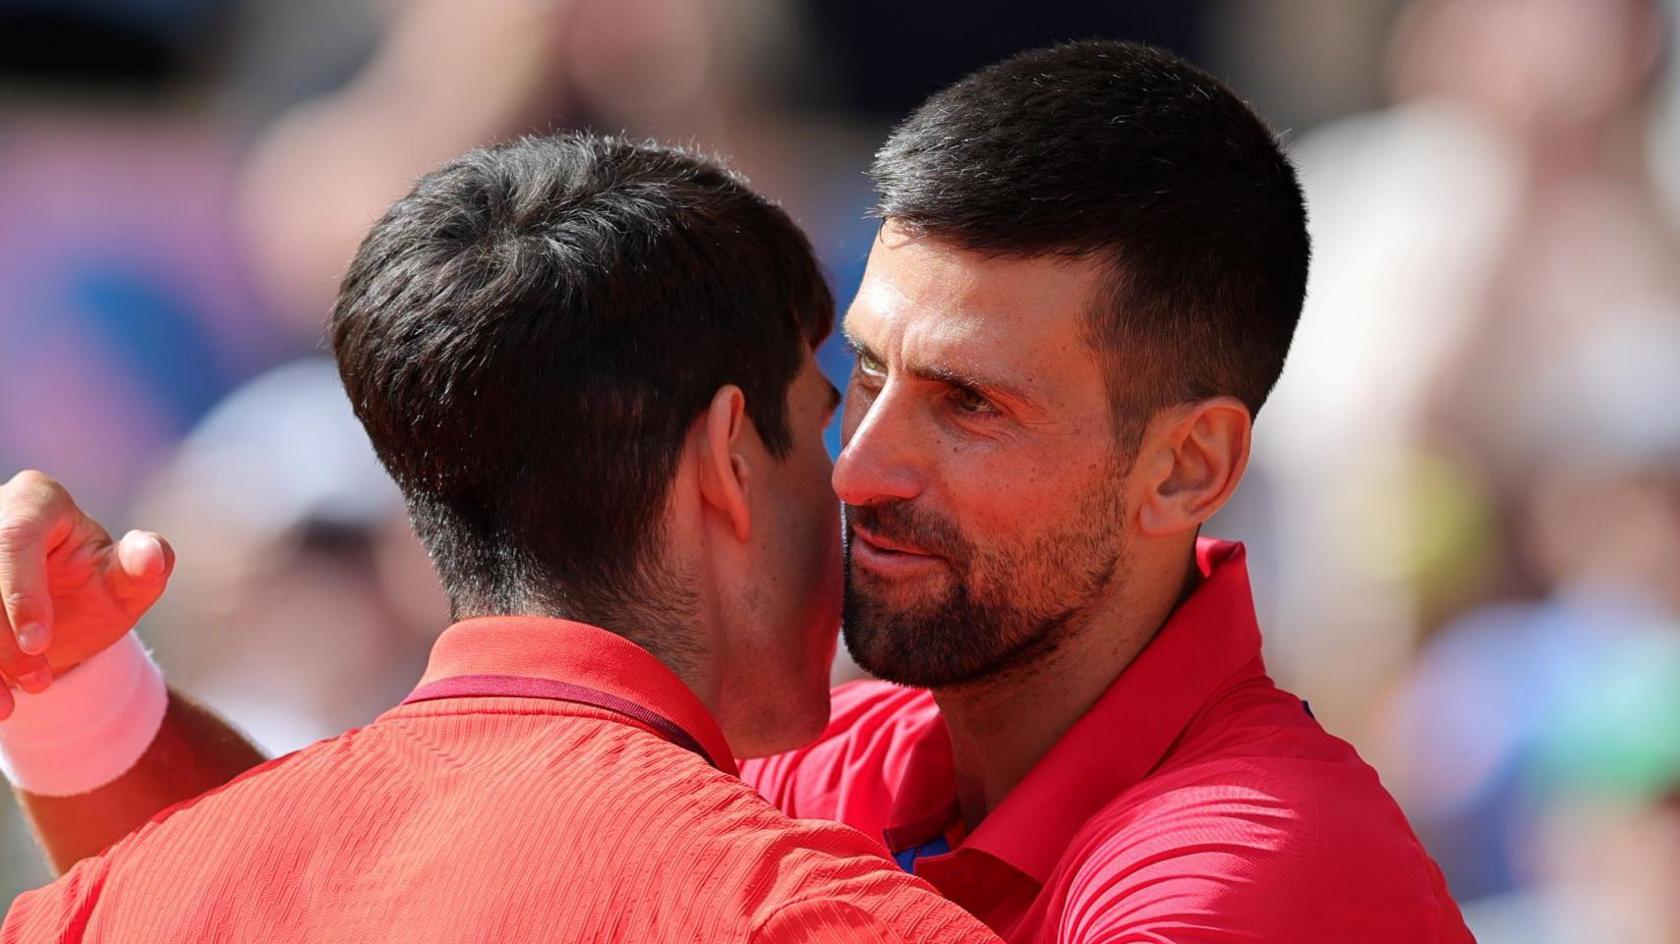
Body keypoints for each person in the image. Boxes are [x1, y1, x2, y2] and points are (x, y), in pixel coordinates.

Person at [2, 42, 1473, 942]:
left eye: (969, 404)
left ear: (1191, 466)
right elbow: (386, 885)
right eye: (870, 375)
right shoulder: (821, 756)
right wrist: (83, 705)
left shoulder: (1257, 876)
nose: (866, 461)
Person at [0, 133, 1000, 942]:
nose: (850, 481)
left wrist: (75, 689)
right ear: (730, 460)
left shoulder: (91, 912)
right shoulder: (830, 920)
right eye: (823, 421)